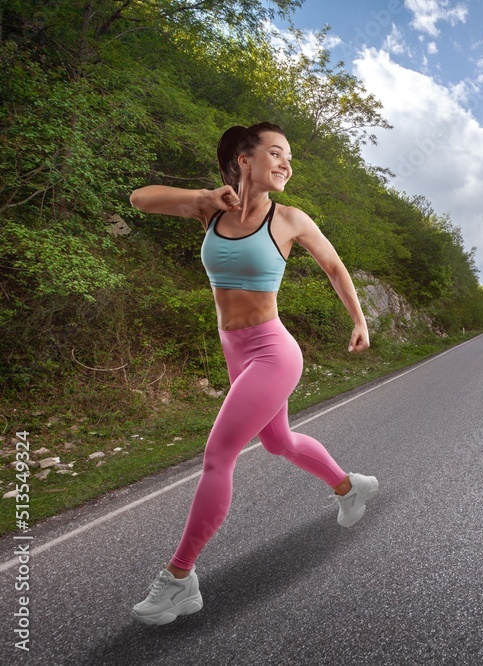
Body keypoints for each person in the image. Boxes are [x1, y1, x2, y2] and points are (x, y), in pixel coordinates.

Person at [128, 122, 378, 626]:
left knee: (219, 456)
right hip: (235, 351)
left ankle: (179, 579)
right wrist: (201, 195)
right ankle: (351, 488)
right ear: (245, 159)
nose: (286, 164)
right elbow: (141, 198)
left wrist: (359, 319)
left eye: (289, 157)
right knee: (279, 442)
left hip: (272, 351)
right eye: (277, 153)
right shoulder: (211, 209)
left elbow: (333, 266)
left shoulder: (288, 219)